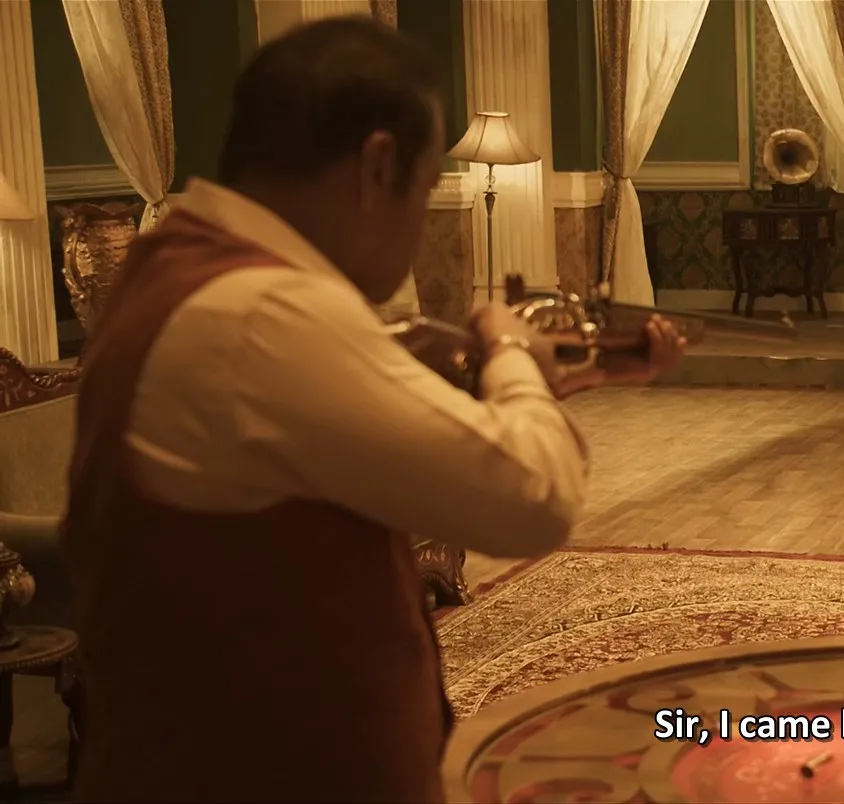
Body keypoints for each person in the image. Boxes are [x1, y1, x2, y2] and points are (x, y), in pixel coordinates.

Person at [59, 18, 684, 801]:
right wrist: (508, 349)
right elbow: (533, 499)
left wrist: (520, 380)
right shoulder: (262, 314)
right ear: (378, 165)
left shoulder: (184, 271)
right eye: (424, 191)